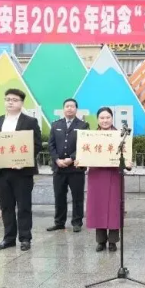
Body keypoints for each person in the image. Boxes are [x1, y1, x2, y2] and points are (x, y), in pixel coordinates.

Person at [0, 88, 42, 252]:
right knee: (6, 206)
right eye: (8, 99)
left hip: (22, 172)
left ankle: (25, 238)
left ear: (21, 103)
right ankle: (8, 238)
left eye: (14, 100)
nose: (10, 102)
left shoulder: (30, 122)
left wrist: (23, 161)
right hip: (2, 171)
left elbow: (36, 145)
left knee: (24, 206)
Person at [78, 107, 132, 252]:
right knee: (98, 207)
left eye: (107, 117)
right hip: (97, 175)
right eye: (102, 118)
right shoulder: (90, 136)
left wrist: (128, 164)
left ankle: (113, 241)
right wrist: (80, 162)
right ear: (97, 120)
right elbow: (84, 156)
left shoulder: (121, 136)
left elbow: (126, 157)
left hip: (114, 175)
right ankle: (100, 241)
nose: (105, 120)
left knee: (114, 207)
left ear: (112, 118)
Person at [47, 98, 90, 233]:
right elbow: (51, 145)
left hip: (75, 168)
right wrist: (56, 159)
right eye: (67, 106)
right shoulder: (56, 125)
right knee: (59, 196)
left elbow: (85, 145)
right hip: (59, 168)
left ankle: (77, 222)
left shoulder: (83, 125)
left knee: (77, 197)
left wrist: (71, 158)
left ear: (76, 109)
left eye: (72, 106)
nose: (69, 108)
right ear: (63, 109)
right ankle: (59, 222)